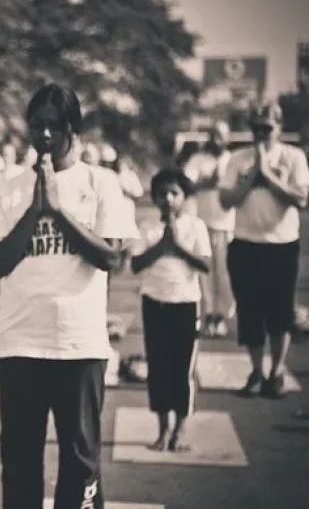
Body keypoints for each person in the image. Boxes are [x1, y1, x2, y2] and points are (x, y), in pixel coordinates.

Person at [0, 84, 137, 509]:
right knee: (21, 462)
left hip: (78, 344)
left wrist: (59, 213)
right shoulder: (8, 189)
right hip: (20, 343)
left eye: (53, 126)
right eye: (37, 125)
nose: (43, 135)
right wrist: (35, 211)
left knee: (81, 461)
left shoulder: (101, 183)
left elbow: (110, 257)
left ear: (71, 129)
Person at [219, 102, 309, 399]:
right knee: (250, 312)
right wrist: (252, 173)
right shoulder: (237, 158)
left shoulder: (292, 157)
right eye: (256, 128)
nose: (260, 134)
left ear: (279, 128)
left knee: (279, 312)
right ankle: (256, 370)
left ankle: (277, 371)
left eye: (267, 128)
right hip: (246, 243)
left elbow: (300, 198)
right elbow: (226, 200)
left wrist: (268, 175)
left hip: (280, 244)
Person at [130, 168, 211, 453]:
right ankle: (162, 429)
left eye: (174, 193)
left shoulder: (195, 226)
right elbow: (136, 264)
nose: (168, 199)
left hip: (185, 304)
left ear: (184, 197)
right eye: (162, 193)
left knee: (182, 370)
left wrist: (176, 247)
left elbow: (205, 264)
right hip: (155, 302)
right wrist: (161, 245)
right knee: (159, 367)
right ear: (154, 197)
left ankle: (180, 429)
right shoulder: (147, 227)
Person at [183, 121, 236, 337]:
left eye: (220, 136)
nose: (216, 140)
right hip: (202, 225)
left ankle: (220, 317)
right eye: (213, 135)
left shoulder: (233, 160)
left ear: (227, 139)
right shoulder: (198, 160)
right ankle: (207, 317)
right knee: (204, 274)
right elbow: (186, 185)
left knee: (225, 275)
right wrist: (210, 181)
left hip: (227, 226)